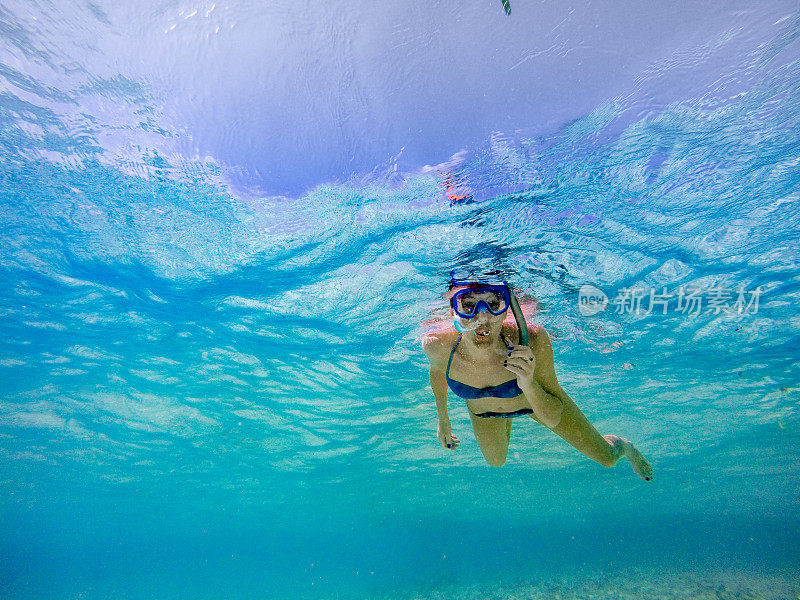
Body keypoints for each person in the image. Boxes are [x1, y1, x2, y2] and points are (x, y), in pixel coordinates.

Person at [422, 275, 653, 480]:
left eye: (493, 304)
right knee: (496, 462)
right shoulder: (437, 346)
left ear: (506, 310)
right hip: (485, 412)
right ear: (453, 311)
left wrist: (528, 383)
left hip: (535, 404)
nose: (482, 317)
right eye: (468, 305)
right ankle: (506, 414)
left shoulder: (531, 339)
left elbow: (552, 417)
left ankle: (625, 447)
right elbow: (437, 372)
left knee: (608, 458)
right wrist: (443, 419)